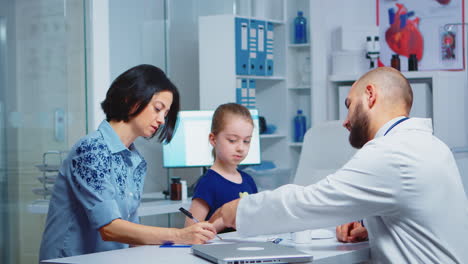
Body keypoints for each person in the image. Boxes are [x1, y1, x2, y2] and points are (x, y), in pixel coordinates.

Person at [209, 67, 468, 263]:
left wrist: (242, 209)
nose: (345, 121)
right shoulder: (430, 146)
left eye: (349, 105)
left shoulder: (391, 152)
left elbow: (311, 202)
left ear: (370, 96)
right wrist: (369, 227)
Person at [39, 65, 216, 261]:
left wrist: (181, 245)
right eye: (158, 109)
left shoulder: (135, 161)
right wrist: (179, 235)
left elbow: (132, 235)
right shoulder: (91, 149)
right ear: (130, 99)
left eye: (165, 114)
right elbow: (110, 228)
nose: (162, 120)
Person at [185, 103, 258, 232]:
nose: (241, 148)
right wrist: (225, 220)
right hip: (218, 250)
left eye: (246, 141)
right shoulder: (208, 183)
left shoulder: (248, 181)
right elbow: (190, 230)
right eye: (232, 140)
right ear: (213, 139)